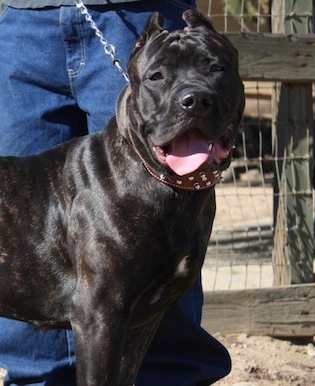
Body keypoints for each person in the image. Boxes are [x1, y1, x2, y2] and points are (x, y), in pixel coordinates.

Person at [0, 1, 231, 385]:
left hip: (140, 11)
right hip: (25, 19)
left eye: (215, 71)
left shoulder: (171, 47)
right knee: (36, 315)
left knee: (162, 350)